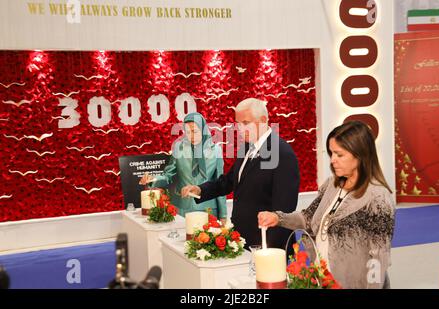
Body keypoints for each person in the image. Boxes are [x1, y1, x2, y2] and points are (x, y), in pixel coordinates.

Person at [258, 121, 395, 289]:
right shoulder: (331, 185)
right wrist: (277, 218)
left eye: (339, 154)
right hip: (321, 277)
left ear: (360, 155)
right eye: (331, 153)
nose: (332, 160)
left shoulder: (378, 198)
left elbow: (379, 256)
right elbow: (308, 218)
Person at [181, 98, 300, 249]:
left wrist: (269, 250)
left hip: (266, 244)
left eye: (245, 123)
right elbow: (230, 180)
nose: (240, 129)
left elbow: (284, 210)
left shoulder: (282, 153)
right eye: (238, 124)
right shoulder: (246, 147)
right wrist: (201, 189)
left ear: (263, 120)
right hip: (242, 238)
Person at [140, 112, 226, 221]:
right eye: (188, 132)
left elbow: (219, 184)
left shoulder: (216, 151)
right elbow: (168, 176)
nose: (191, 136)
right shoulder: (178, 148)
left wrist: (223, 215)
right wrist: (153, 179)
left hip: (208, 209)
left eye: (195, 131)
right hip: (183, 209)